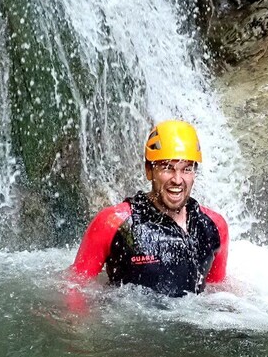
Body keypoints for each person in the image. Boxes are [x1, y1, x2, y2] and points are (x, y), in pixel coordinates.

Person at [70, 120, 229, 298]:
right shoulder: (114, 223)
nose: (177, 179)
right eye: (168, 168)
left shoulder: (213, 226)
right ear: (149, 170)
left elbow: (217, 294)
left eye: (186, 169)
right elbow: (74, 288)